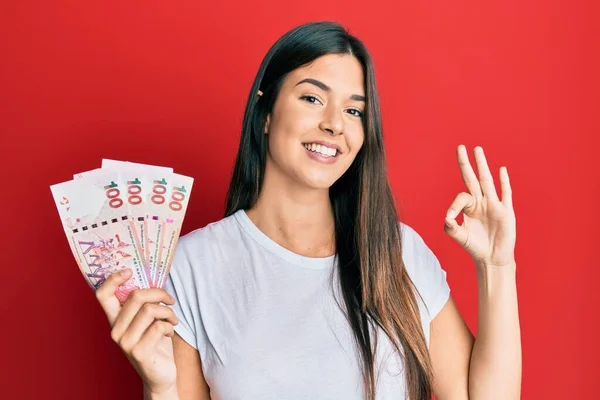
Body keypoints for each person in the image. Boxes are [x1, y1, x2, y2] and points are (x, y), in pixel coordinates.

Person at [95, 21, 521, 400]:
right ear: (265, 111)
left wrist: (498, 266)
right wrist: (161, 386)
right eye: (313, 99)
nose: (335, 123)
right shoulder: (190, 266)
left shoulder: (398, 253)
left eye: (354, 110)